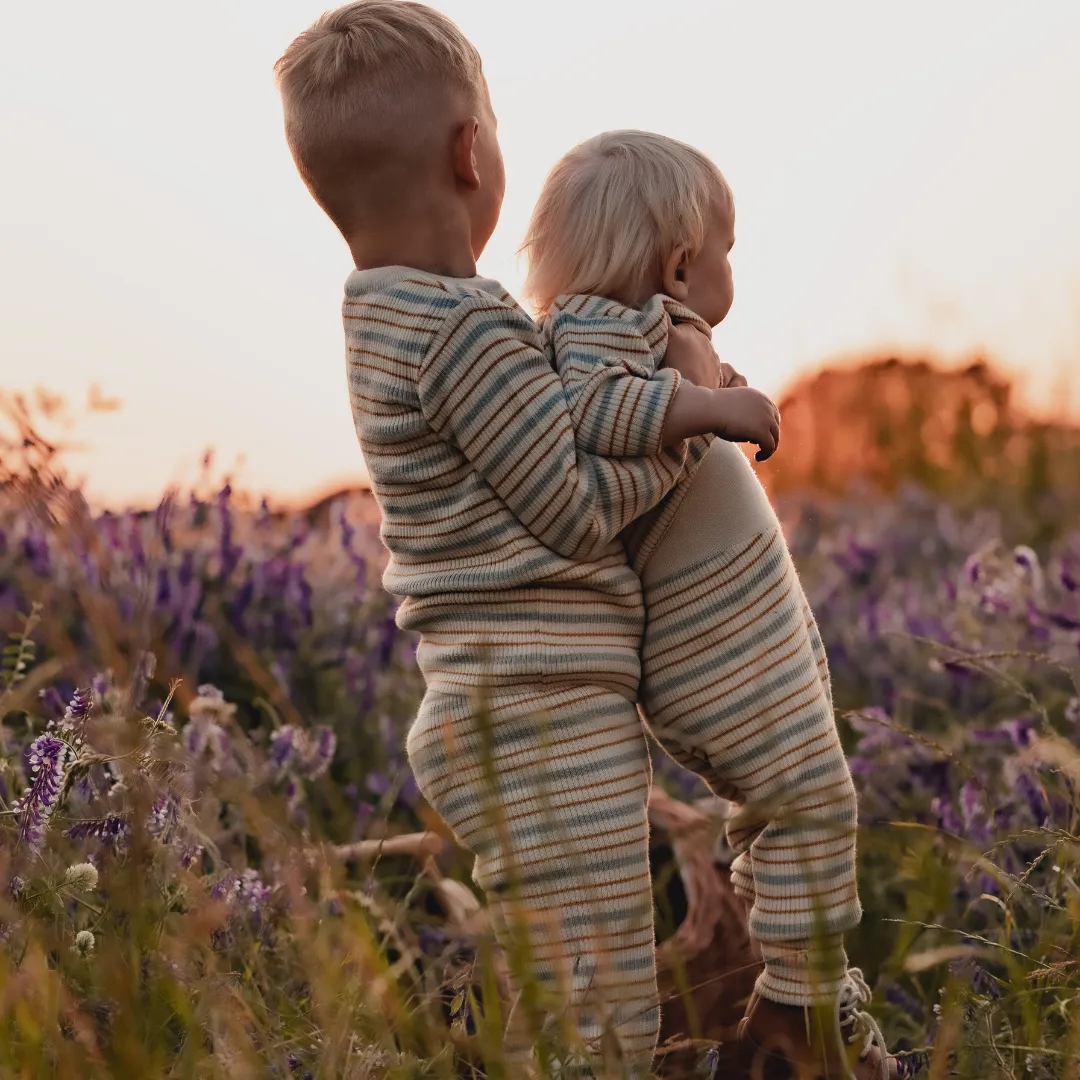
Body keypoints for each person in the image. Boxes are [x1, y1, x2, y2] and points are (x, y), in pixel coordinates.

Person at [274, 5, 779, 1076]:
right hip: (538, 711)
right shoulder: (464, 331)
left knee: (564, 1004)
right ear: (470, 151)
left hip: (503, 706)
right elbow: (577, 508)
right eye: (495, 127)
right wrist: (697, 419)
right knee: (596, 1027)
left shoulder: (386, 314)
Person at [523, 130, 905, 1080]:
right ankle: (790, 1024)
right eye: (726, 251)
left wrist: (713, 384)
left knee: (788, 804)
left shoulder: (657, 334)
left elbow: (651, 395)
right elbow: (599, 413)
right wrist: (718, 409)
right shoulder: (600, 330)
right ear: (683, 263)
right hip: (711, 653)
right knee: (811, 801)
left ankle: (796, 996)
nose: (731, 268)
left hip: (737, 644)